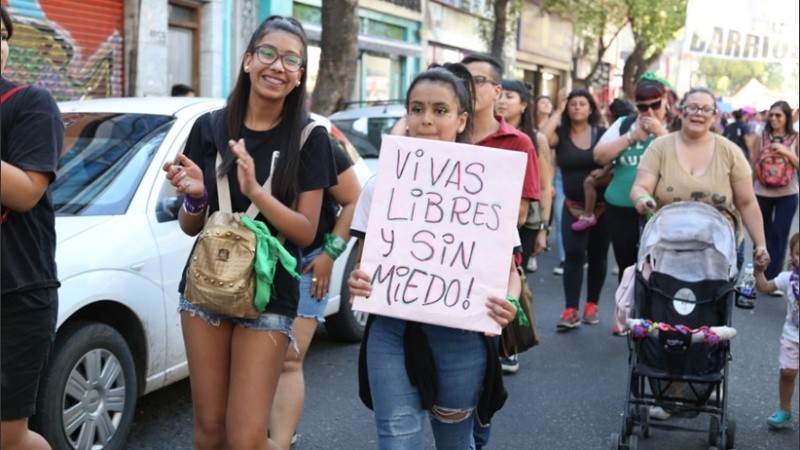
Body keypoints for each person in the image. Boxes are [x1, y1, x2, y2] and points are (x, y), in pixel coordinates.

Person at [161, 16, 337, 449]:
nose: (278, 66)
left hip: (269, 295)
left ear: (298, 77)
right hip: (205, 289)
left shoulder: (311, 137)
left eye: (291, 60)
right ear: (247, 60)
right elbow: (191, 227)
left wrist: (257, 191)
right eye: (268, 54)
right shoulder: (210, 126)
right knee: (209, 432)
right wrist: (197, 197)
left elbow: (306, 229)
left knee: (245, 438)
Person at [347, 62, 519, 450]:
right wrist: (358, 279)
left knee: (455, 443)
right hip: (391, 333)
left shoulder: (489, 187)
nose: (426, 119)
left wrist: (508, 301)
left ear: (460, 120)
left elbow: (510, 273)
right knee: (397, 441)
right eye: (417, 108)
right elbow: (364, 265)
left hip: (461, 338)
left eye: (440, 111)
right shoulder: (380, 187)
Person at [629, 87, 771, 421]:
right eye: (692, 107)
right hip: (668, 247)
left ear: (715, 115)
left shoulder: (729, 152)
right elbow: (640, 185)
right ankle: (669, 391)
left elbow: (748, 202)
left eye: (706, 109)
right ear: (680, 110)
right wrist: (642, 200)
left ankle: (706, 378)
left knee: (708, 316)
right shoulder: (660, 147)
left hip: (715, 249)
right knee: (669, 316)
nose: (698, 113)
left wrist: (761, 244)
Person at [269, 139, 361, 449]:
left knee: (289, 358)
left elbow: (354, 200)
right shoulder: (235, 130)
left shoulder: (315, 139)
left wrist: (330, 255)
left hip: (309, 263)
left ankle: (281, 440)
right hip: (255, 262)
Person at [1, 6, 64, 450]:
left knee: (9, 436)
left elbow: (25, 192)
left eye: (1, 34)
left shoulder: (30, 103)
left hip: (16, 297)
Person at [460, 55, 540, 382]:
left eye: (478, 80)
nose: (469, 87)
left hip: (491, 266)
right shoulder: (444, 136)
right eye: (462, 79)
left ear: (496, 91)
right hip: (440, 262)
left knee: (481, 366)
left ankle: (476, 428)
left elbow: (519, 214)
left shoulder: (518, 143)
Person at [594, 73, 674, 289]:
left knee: (659, 267)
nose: (649, 112)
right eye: (642, 107)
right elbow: (599, 156)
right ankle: (627, 315)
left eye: (655, 105)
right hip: (621, 206)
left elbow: (682, 161)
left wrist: (659, 132)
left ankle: (653, 317)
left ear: (666, 100)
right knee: (627, 267)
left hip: (662, 210)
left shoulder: (678, 127)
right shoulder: (624, 124)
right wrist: (631, 137)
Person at [540, 87, 609, 329]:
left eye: (582, 103)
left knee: (599, 256)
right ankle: (570, 309)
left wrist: (603, 173)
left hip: (602, 207)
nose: (577, 107)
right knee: (573, 254)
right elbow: (542, 139)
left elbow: (614, 160)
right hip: (572, 205)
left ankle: (592, 304)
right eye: (573, 104)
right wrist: (557, 109)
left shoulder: (602, 133)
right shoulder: (561, 133)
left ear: (591, 108)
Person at [497, 80, 553, 275]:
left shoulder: (537, 139)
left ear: (523, 105)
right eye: (499, 95)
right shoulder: (482, 134)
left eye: (509, 97)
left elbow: (545, 187)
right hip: (489, 217)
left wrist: (543, 230)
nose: (501, 101)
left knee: (514, 277)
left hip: (526, 221)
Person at [749, 100, 799, 293]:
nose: (774, 118)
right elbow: (752, 165)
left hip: (788, 193)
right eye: (771, 115)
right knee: (761, 235)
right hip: (761, 192)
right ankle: (759, 275)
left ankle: (775, 279)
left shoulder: (795, 138)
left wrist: (787, 152)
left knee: (779, 234)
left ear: (786, 117)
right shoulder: (760, 138)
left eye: (778, 115)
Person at [754, 232, 799, 430]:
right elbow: (764, 286)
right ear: (792, 255)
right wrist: (758, 271)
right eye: (798, 253)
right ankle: (785, 410)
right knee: (788, 372)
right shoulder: (788, 278)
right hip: (792, 334)